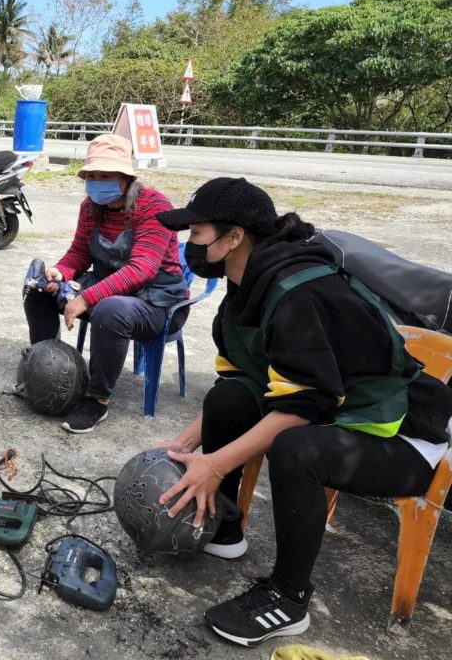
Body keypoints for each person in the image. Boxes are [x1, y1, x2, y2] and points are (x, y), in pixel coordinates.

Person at [152, 177, 452, 648]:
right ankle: (224, 528)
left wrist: (214, 463)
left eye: (198, 233)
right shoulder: (245, 285)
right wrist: (187, 443)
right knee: (226, 400)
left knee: (296, 449)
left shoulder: (298, 293)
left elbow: (301, 407)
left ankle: (288, 599)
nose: (190, 245)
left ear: (234, 238)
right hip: (336, 409)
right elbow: (245, 379)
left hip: (401, 432)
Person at [24, 134, 189, 434]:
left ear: (126, 177)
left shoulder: (153, 206)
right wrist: (61, 272)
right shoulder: (90, 208)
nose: (97, 181)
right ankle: (46, 369)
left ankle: (97, 400)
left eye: (106, 175)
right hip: (106, 286)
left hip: (157, 301)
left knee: (111, 310)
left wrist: (87, 298)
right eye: (92, 176)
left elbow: (143, 268)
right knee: (38, 291)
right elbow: (79, 253)